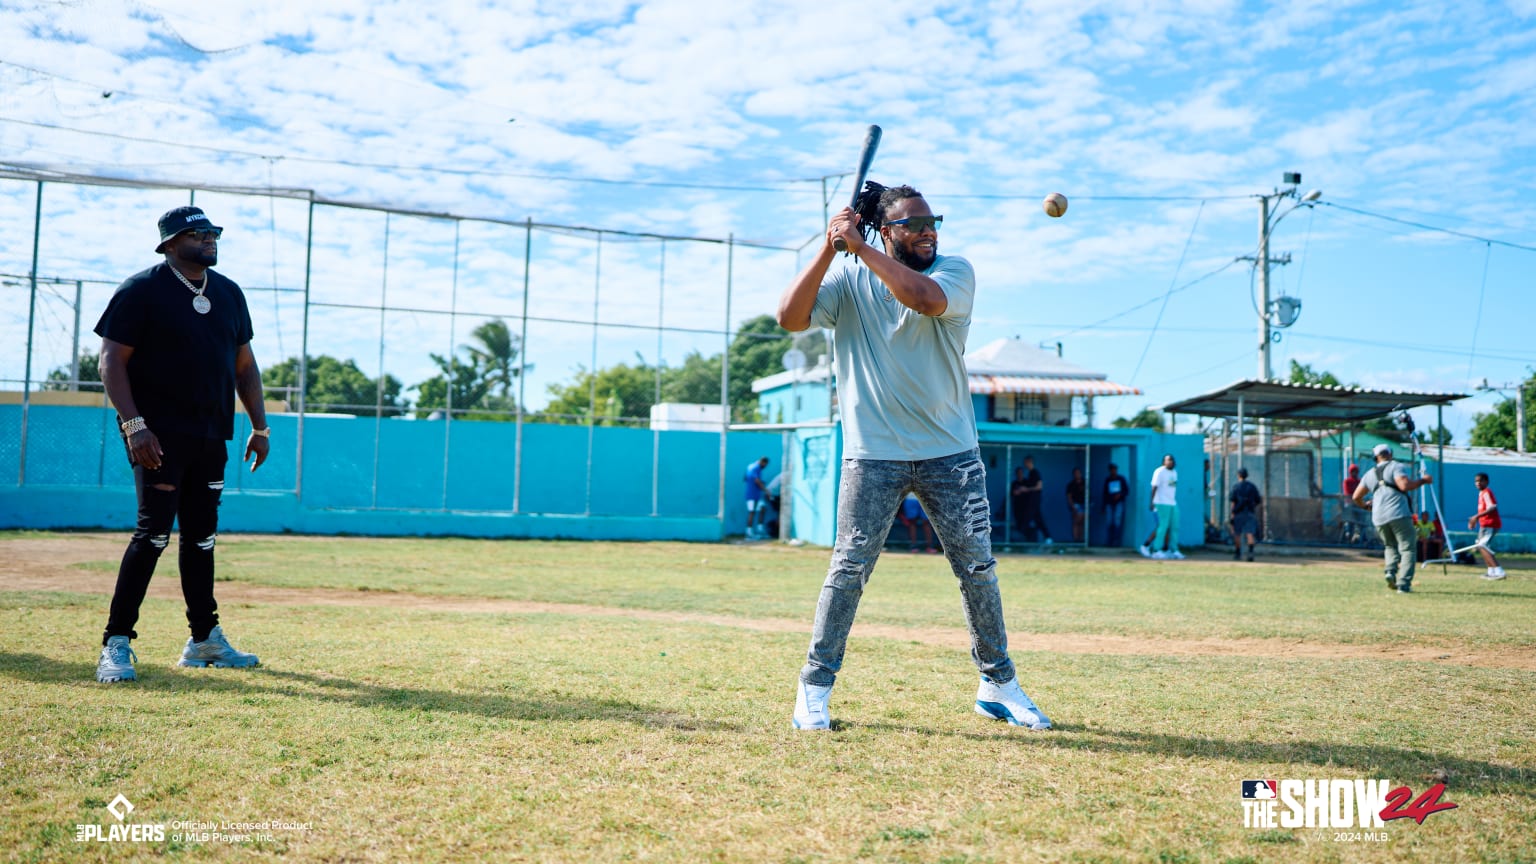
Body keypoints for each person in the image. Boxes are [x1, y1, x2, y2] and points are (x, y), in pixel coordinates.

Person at [777, 182, 1050, 731]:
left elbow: (922, 300)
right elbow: (789, 317)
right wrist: (831, 248)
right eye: (912, 223)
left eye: (933, 221)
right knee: (848, 570)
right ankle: (814, 688)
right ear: (885, 229)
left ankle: (998, 684)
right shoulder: (850, 279)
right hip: (872, 455)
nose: (928, 231)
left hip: (951, 454)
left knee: (976, 569)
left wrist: (861, 247)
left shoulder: (955, 271)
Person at [93, 206, 271, 683]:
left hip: (212, 434)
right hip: (157, 436)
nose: (210, 239)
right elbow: (110, 362)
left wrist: (260, 425)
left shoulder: (230, 293)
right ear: (170, 243)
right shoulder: (141, 290)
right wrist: (134, 425)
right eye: (198, 233)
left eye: (213, 232)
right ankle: (116, 642)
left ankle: (203, 639)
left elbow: (244, 366)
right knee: (152, 534)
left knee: (202, 538)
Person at [1352, 442, 1433, 593]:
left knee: (1390, 546)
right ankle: (1403, 584)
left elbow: (1356, 497)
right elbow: (1404, 485)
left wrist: (1366, 506)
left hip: (1378, 517)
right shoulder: (1396, 466)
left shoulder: (1369, 474)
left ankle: (1390, 571)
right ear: (1390, 454)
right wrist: (1423, 480)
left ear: (1376, 457)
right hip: (1398, 513)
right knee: (1408, 549)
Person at [1141, 454, 1183, 560]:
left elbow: (1172, 488)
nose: (1170, 462)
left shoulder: (1174, 472)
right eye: (1168, 460)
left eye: (1172, 460)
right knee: (1162, 526)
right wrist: (1152, 502)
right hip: (1161, 503)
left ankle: (1173, 550)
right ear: (1164, 461)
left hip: (1172, 503)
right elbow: (1154, 487)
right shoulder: (1159, 472)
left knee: (1174, 526)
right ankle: (1156, 550)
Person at [1468, 472, 1506, 580]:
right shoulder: (1481, 494)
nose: (1478, 483)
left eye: (1481, 480)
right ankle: (1491, 571)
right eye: (1476, 481)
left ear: (1486, 482)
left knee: (1483, 546)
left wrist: (1476, 517)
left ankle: (1499, 571)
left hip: (1491, 524)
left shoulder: (1486, 492)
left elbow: (1492, 507)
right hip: (1484, 525)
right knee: (1481, 547)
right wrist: (1475, 520)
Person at [1011, 457, 1052, 544]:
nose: (1025, 465)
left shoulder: (1035, 472)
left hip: (1034, 502)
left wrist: (1026, 489)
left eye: (1026, 462)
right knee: (1038, 519)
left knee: (1026, 519)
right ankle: (1047, 537)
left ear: (1030, 462)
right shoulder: (1030, 474)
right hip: (1030, 502)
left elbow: (1039, 486)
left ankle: (1020, 539)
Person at [1228, 467, 1263, 562]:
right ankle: (1250, 552)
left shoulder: (1236, 487)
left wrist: (1232, 514)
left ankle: (1238, 553)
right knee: (1250, 533)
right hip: (1249, 512)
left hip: (1238, 512)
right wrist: (1252, 506)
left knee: (1237, 534)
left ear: (1239, 475)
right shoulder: (1252, 486)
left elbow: (1233, 502)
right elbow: (1258, 500)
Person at [1101, 463, 1128, 547]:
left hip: (1119, 503)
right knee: (1109, 522)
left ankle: (1116, 542)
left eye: (1115, 469)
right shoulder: (1108, 480)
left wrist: (1119, 495)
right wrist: (1103, 506)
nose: (1113, 471)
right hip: (1109, 503)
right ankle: (1109, 542)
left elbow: (1126, 491)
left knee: (1117, 522)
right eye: (1112, 469)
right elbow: (1104, 493)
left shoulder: (1121, 479)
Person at [744, 456, 770, 539]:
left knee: (762, 509)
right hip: (752, 494)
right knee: (752, 512)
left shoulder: (750, 466)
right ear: (762, 462)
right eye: (765, 465)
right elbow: (756, 480)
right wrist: (766, 490)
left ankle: (760, 530)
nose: (765, 467)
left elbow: (745, 478)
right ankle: (749, 532)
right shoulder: (756, 467)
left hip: (756, 494)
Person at [1066, 466, 1086, 542]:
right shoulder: (1071, 485)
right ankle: (1076, 539)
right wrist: (1072, 506)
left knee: (1082, 522)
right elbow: (1069, 497)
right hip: (1076, 505)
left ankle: (1082, 539)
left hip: (1084, 504)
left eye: (1078, 473)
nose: (1077, 474)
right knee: (1076, 521)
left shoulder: (1085, 483)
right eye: (1075, 473)